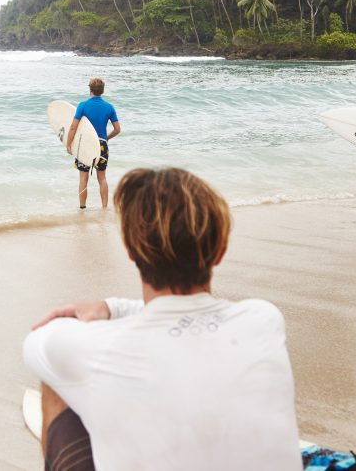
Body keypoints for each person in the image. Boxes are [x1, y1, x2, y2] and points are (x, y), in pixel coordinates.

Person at [23, 168, 299, 471]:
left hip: (95, 355)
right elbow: (189, 317)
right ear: (220, 251)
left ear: (130, 251)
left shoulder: (99, 350)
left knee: (60, 377)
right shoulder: (264, 319)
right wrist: (114, 307)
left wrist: (111, 309)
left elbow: (41, 336)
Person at [66, 78, 120, 209]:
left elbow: (73, 127)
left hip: (85, 145)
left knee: (83, 178)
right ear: (102, 90)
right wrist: (106, 138)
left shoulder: (83, 105)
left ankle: (82, 208)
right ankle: (104, 208)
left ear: (90, 89)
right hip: (102, 145)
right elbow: (117, 129)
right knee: (102, 178)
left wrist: (68, 143)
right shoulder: (109, 107)